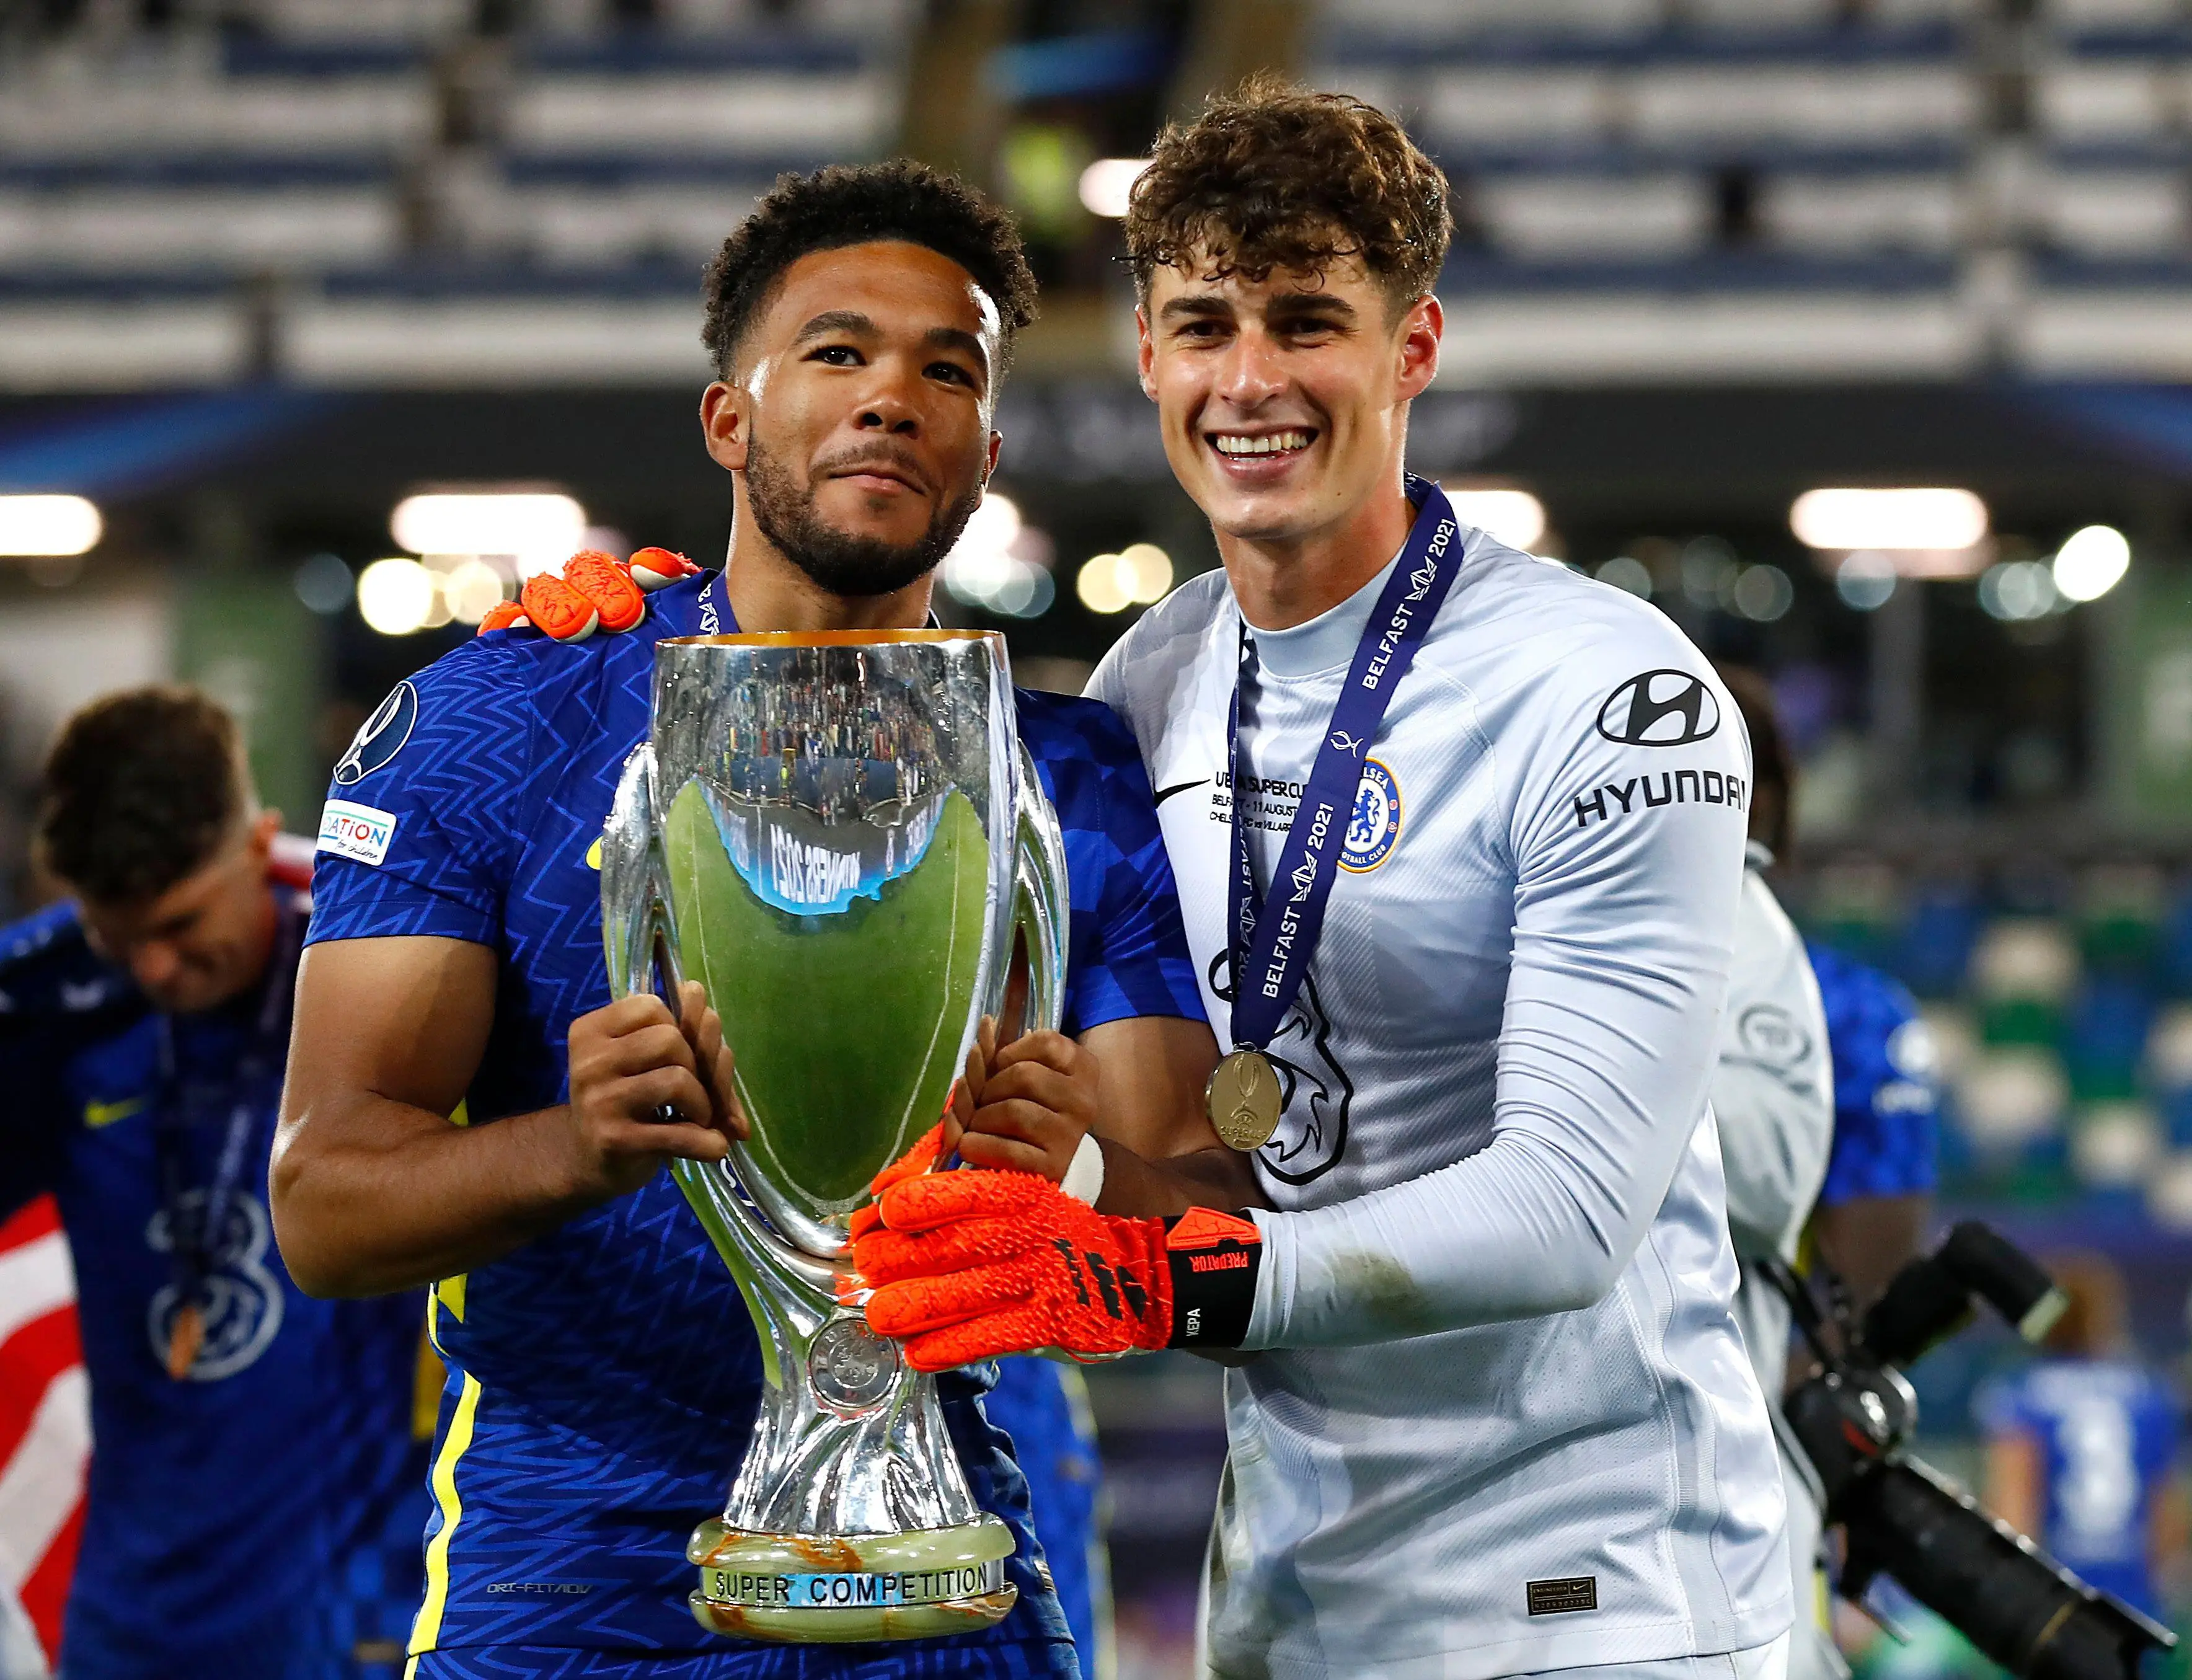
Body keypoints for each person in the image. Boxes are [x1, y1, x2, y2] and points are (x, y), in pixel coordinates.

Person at [851, 79, 1792, 1680]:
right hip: (1290, 1592)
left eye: (1309, 320)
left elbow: (1567, 1212)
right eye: (1205, 322)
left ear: (1412, 348)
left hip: (1599, 1597)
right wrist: (627, 643)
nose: (1251, 379)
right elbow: (1165, 1141)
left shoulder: (1607, 687)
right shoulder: (1153, 682)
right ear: (1146, 350)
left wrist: (1156, 1271)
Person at [272, 160, 1226, 1680]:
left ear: (986, 449)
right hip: (569, 1577)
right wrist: (571, 1146)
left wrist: (1082, 1174)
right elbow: (321, 1206)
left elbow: (1203, 1217)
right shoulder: (489, 721)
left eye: (947, 369)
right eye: (838, 352)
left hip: (940, 1558)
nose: (891, 398)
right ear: (730, 417)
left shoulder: (1073, 775)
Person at [0, 687, 428, 1679]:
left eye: (184, 920)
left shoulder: (385, 965)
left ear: (256, 843)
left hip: (352, 1610)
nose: (155, 963)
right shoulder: (51, 1011)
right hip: (130, 1623)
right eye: (119, 931)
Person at [1978, 1253, 2185, 1623]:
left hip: (2056, 1603)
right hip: (2136, 1602)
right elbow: (2166, 1521)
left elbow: (2013, 1513)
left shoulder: (2023, 1395)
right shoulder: (2149, 1395)